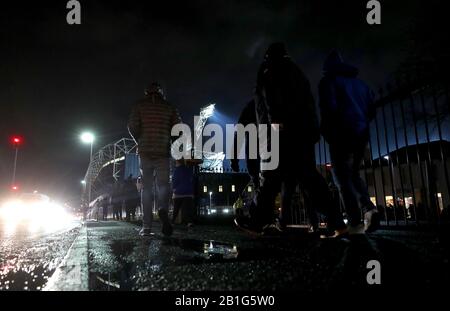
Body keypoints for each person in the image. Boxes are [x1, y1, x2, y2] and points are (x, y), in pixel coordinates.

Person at [240, 42, 347, 237]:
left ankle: (256, 223)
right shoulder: (298, 73)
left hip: (280, 134)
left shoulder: (270, 71)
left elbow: (271, 99)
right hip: (302, 133)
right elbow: (307, 103)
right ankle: (338, 222)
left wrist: (275, 124)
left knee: (269, 179)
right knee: (310, 180)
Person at [318, 50, 380, 234]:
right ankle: (369, 209)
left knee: (341, 178)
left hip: (340, 133)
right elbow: (372, 110)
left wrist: (326, 131)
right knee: (353, 174)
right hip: (360, 134)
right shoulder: (361, 84)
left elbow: (329, 108)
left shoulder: (328, 82)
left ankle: (354, 221)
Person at [128, 82, 181, 236]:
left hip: (145, 151)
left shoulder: (139, 106)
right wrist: (170, 140)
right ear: (161, 93)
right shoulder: (169, 107)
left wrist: (140, 140)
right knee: (163, 185)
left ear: (147, 92)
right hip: (163, 151)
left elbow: (131, 125)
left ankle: (147, 227)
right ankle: (163, 209)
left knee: (146, 188)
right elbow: (178, 128)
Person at [230, 99, 260, 190]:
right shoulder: (277, 103)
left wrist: (234, 160)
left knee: (259, 186)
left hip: (254, 155)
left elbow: (239, 134)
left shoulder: (250, 107)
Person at [171, 159, 196, 227]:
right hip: (188, 193)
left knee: (176, 208)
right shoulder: (189, 170)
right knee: (188, 209)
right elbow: (192, 180)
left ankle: (172, 221)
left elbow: (174, 180)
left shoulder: (177, 170)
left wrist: (174, 189)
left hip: (179, 193)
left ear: (178, 162)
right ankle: (189, 222)